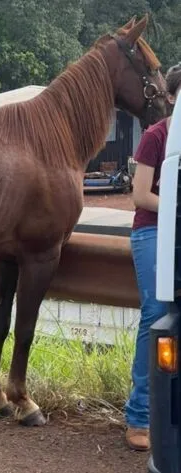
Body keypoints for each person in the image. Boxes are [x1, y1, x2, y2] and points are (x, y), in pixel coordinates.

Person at [124, 62, 181, 452]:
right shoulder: (156, 136)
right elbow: (141, 195)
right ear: (173, 97)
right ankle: (139, 416)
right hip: (152, 230)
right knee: (156, 312)